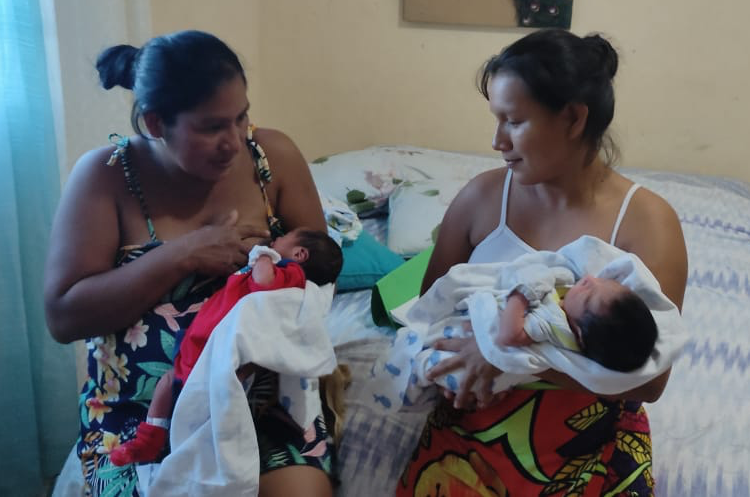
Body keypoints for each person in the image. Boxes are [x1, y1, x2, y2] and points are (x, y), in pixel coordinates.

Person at [43, 30, 337, 497]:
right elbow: (63, 316)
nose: (235, 140)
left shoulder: (272, 158)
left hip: (258, 403)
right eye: (212, 127)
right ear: (157, 123)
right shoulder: (104, 178)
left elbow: (323, 269)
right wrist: (183, 253)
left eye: (241, 118)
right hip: (140, 416)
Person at [396, 29, 687, 497]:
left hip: (589, 445)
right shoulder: (480, 201)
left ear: (572, 118)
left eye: (513, 121)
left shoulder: (647, 223)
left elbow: (650, 382)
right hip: (467, 441)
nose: (497, 140)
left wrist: (503, 356)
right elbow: (427, 316)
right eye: (496, 120)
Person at [109, 228, 342, 466]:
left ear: (300, 254)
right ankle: (151, 439)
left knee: (198, 404)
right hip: (198, 341)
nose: (277, 238)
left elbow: (263, 282)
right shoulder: (282, 268)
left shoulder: (290, 272)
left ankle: (171, 447)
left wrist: (263, 255)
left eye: (284, 237)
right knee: (169, 384)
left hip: (215, 351)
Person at [371, 241, 668, 412]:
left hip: (558, 434)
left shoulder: (553, 323)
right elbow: (434, 294)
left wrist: (521, 293)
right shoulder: (479, 196)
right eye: (602, 282)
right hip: (463, 412)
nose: (590, 279)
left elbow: (508, 336)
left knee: (430, 362)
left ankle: (409, 372)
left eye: (589, 294)